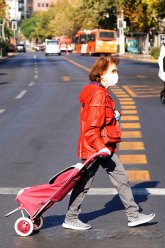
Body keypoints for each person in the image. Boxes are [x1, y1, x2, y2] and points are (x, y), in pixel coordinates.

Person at [62, 56, 155, 230]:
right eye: (113, 71)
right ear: (101, 74)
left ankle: (133, 215)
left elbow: (100, 118)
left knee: (121, 179)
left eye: (116, 71)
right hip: (96, 148)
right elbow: (91, 127)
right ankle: (71, 217)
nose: (116, 74)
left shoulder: (99, 91)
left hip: (102, 146)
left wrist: (113, 115)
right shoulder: (98, 94)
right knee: (83, 184)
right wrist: (101, 148)